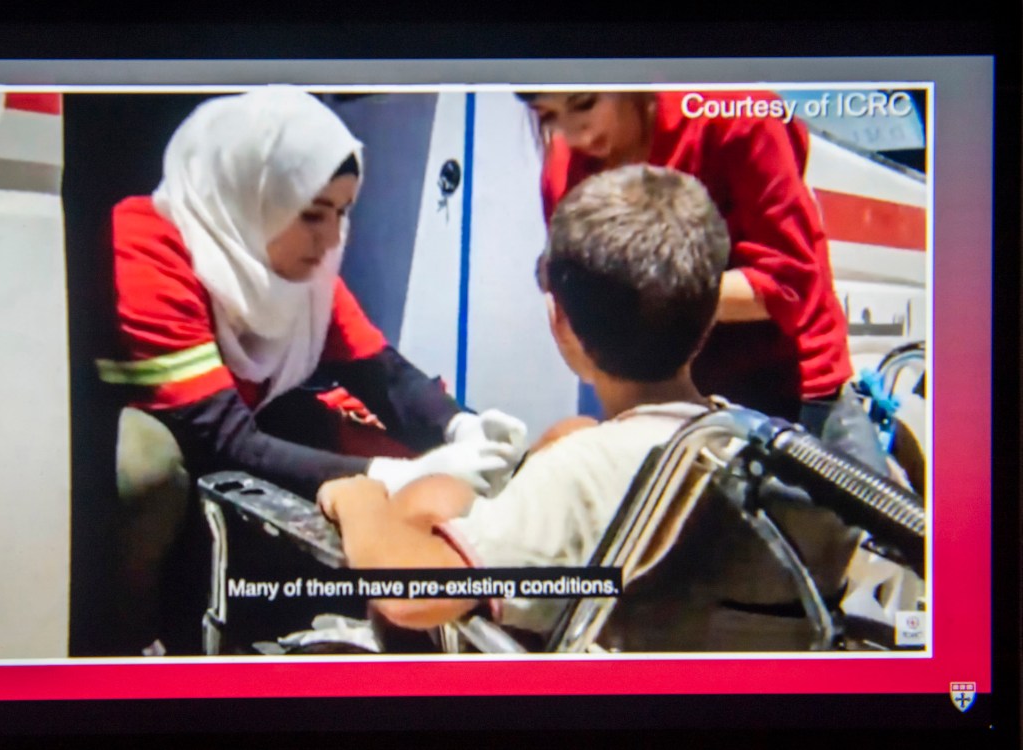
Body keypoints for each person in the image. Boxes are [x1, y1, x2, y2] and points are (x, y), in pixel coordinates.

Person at [317, 165, 861, 648]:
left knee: (428, 497)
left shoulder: (587, 473)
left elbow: (415, 597)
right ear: (706, 321)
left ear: (561, 325)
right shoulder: (770, 456)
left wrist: (358, 499)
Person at [95, 87, 526, 653]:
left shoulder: (298, 269)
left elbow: (381, 374)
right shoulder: (147, 245)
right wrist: (389, 478)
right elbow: (223, 437)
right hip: (157, 440)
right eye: (311, 215)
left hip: (233, 423)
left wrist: (464, 429)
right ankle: (120, 645)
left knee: (344, 429)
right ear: (252, 196)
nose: (329, 241)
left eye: (342, 214)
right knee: (145, 462)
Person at [515, 90, 881, 461]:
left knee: (880, 518)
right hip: (662, 410)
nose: (574, 134)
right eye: (548, 116)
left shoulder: (736, 114)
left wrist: (643, 292)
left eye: (585, 104)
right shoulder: (564, 171)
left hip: (794, 394)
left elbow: (790, 285)